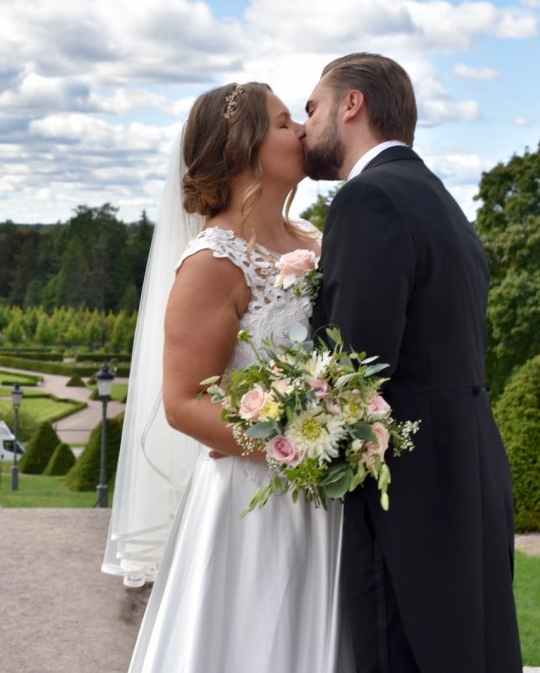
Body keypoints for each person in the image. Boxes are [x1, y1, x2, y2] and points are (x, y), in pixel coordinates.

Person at [105, 81, 353, 672]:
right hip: (255, 506)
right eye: (284, 121)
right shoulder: (214, 260)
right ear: (244, 147)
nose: (301, 131)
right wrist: (295, 447)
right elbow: (184, 401)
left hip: (333, 499)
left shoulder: (317, 241)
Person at [304, 52, 523, 672]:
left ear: (353, 105)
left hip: (410, 492)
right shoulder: (436, 198)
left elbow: (352, 370)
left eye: (312, 107)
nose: (305, 125)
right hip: (467, 468)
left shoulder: (367, 199)